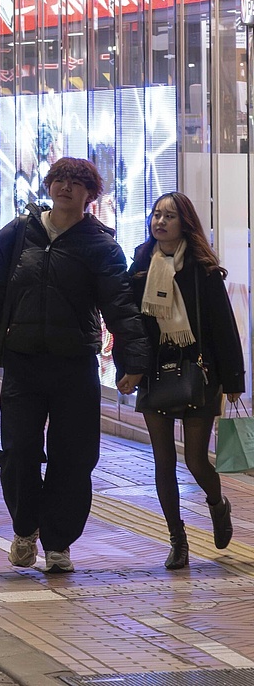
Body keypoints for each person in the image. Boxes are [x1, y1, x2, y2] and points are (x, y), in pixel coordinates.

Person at [0, 157, 148, 575]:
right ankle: (25, 529)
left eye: (76, 182)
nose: (65, 187)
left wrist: (133, 361)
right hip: (22, 363)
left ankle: (59, 543)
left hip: (74, 366)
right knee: (18, 453)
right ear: (49, 185)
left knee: (74, 457)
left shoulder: (100, 245)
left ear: (90, 194)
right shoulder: (17, 234)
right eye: (59, 179)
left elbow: (120, 307)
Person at [131, 192, 244, 570]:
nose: (160, 222)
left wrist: (233, 380)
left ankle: (217, 503)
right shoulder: (140, 265)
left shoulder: (203, 270)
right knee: (163, 461)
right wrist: (128, 365)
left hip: (199, 370)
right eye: (156, 214)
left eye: (170, 216)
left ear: (185, 224)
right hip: (155, 370)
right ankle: (177, 540)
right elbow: (130, 324)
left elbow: (224, 329)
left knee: (195, 460)